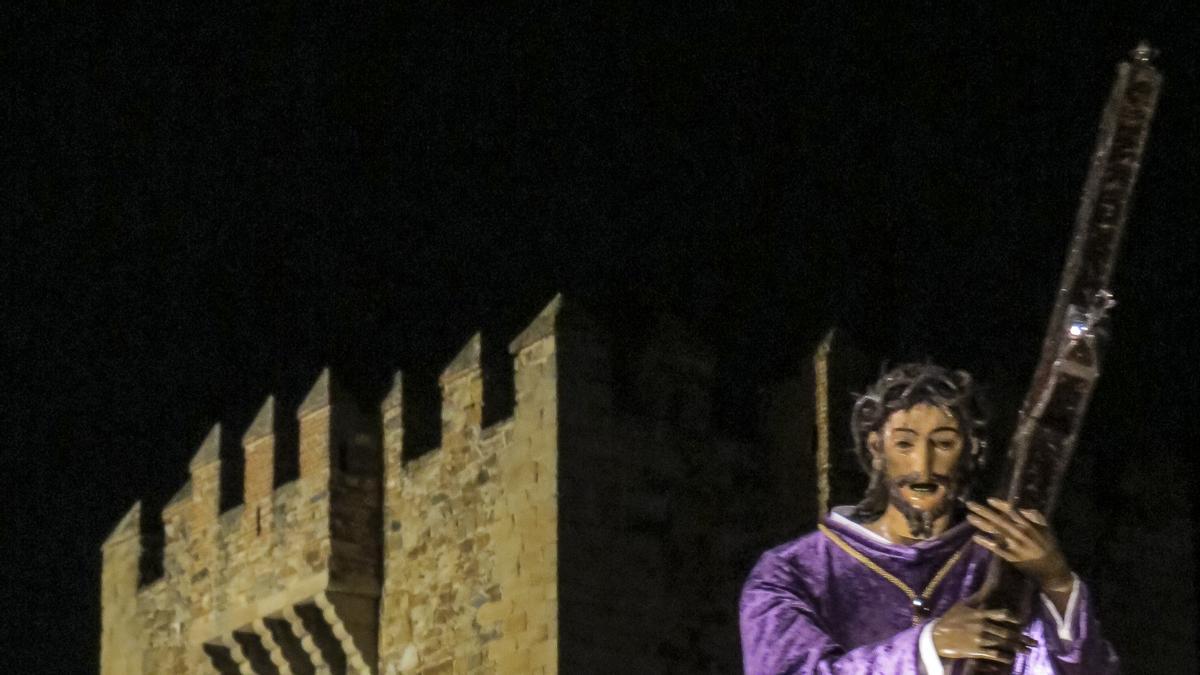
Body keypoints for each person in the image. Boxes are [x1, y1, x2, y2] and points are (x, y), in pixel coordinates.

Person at [739, 363, 1118, 674]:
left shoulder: (1001, 566)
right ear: (876, 449)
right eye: (904, 443)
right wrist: (927, 648)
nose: (923, 467)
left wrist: (1057, 583)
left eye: (943, 443)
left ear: (972, 449)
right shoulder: (792, 572)